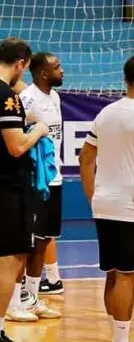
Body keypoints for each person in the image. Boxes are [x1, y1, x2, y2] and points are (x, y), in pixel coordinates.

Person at [79, 55, 134, 342]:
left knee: (113, 275)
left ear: (125, 79)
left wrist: (93, 195)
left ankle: (117, 339)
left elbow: (85, 158)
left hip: (104, 203)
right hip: (131, 207)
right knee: (127, 276)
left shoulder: (105, 113)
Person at [0, 38, 49, 342]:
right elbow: (17, 146)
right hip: (7, 188)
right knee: (10, 259)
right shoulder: (6, 98)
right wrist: (39, 130)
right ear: (20, 64)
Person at [20, 52, 66, 312]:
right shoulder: (27, 99)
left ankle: (32, 296)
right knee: (30, 242)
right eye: (57, 67)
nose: (62, 70)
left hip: (54, 178)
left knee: (45, 240)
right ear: (42, 73)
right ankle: (19, 298)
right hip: (34, 181)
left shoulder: (55, 97)